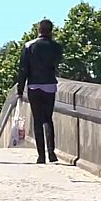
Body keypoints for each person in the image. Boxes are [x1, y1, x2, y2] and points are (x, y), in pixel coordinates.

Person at [17, 19, 64, 164]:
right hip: (49, 84)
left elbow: (23, 69)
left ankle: (41, 155)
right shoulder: (56, 47)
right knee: (47, 119)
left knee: (37, 120)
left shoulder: (29, 46)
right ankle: (51, 153)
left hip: (34, 85)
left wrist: (20, 88)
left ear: (39, 30)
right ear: (51, 31)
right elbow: (57, 63)